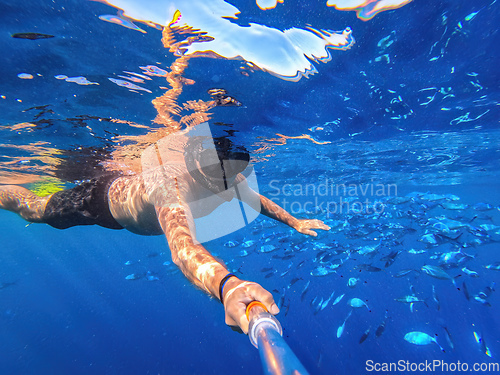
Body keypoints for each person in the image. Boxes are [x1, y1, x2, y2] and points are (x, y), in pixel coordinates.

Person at [0, 131, 330, 334]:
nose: (228, 187)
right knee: (36, 210)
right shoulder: (169, 189)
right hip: (101, 201)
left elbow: (255, 200)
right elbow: (183, 250)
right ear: (198, 168)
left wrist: (295, 222)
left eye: (233, 177)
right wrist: (228, 286)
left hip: (127, 207)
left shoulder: (226, 175)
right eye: (221, 180)